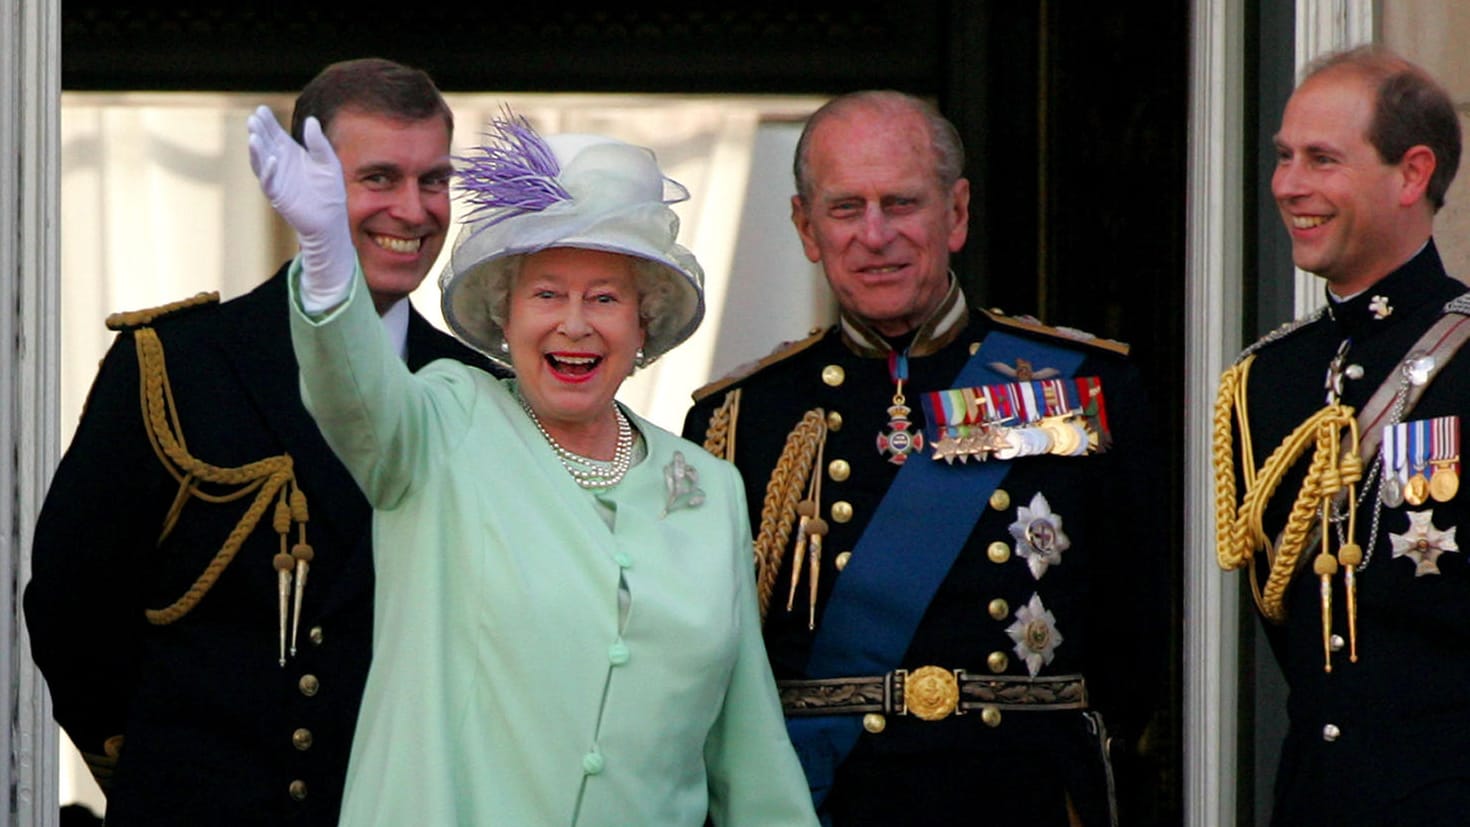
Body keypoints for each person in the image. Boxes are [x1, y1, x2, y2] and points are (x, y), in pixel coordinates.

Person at [247, 100, 821, 826]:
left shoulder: (708, 486)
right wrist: (329, 260)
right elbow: (353, 396)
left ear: (642, 323)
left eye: (605, 297)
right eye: (546, 293)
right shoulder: (444, 423)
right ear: (504, 316)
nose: (573, 323)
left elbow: (749, 751)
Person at [24, 58, 502, 826]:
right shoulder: (176, 363)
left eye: (434, 180)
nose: (413, 211)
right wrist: (160, 769)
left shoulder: (482, 390)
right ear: (300, 180)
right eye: (378, 178)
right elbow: (73, 608)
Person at [682, 90, 1167, 825]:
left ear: (957, 212)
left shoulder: (1077, 385)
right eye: (846, 209)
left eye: (901, 203)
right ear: (805, 227)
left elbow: (1140, 636)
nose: (876, 235)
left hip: (1020, 795)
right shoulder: (743, 416)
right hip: (827, 800)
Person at [1215, 46, 1470, 826]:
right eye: (1285, 158)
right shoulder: (1267, 379)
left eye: (1322, 159)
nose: (1289, 185)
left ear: (1412, 173)